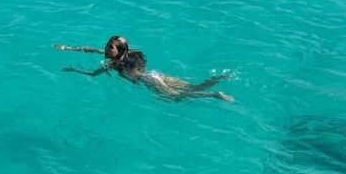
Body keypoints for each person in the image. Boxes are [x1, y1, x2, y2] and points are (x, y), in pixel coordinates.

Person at [55, 37, 234, 102]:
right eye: (108, 45)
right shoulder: (128, 54)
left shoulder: (113, 64)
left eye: (110, 47)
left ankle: (214, 95)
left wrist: (74, 70)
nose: (106, 48)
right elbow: (93, 50)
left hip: (148, 79)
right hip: (156, 73)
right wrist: (69, 48)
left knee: (176, 97)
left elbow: (94, 74)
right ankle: (218, 78)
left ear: (119, 51)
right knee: (191, 87)